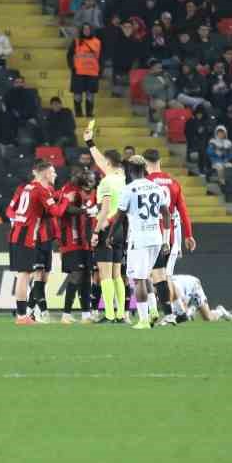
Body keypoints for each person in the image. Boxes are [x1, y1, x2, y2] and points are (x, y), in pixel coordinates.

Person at [112, 155, 170, 331]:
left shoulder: (128, 189)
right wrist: (166, 239)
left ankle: (144, 320)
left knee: (137, 280)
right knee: (146, 276)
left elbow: (119, 216)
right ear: (144, 169)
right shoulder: (156, 187)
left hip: (139, 239)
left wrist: (109, 236)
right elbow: (166, 214)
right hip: (156, 238)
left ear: (130, 170)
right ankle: (153, 311)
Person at [7, 157, 62, 325]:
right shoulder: (41, 190)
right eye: (52, 172)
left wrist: (17, 220)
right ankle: (22, 315)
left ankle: (24, 314)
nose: (55, 174)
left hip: (17, 233)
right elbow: (56, 212)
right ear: (45, 174)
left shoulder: (26, 188)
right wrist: (66, 199)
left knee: (25, 275)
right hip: (28, 235)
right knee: (24, 275)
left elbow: (13, 209)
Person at [144, 148, 195, 324]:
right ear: (160, 162)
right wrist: (189, 235)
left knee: (157, 276)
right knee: (163, 276)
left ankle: (169, 313)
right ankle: (179, 312)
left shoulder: (145, 182)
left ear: (145, 163)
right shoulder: (173, 182)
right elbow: (183, 212)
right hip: (170, 235)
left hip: (151, 233)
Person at [84, 125, 127, 323]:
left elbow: (104, 210)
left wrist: (95, 232)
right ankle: (121, 313)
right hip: (121, 229)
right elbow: (102, 161)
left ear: (108, 163)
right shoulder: (124, 178)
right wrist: (90, 143)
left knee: (105, 273)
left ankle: (109, 313)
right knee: (117, 273)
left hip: (106, 228)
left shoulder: (106, 182)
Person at [55, 169, 96, 324]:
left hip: (85, 240)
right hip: (71, 239)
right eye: (88, 181)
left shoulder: (89, 191)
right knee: (76, 274)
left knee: (86, 276)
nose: (91, 184)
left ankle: (86, 314)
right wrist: (85, 210)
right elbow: (65, 209)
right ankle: (66, 314)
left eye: (92, 181)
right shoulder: (68, 189)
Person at [69, 24, 102, 118]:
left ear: (91, 30)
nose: (86, 30)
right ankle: (78, 114)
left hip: (92, 73)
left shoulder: (97, 42)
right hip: (78, 72)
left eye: (88, 28)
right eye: (84, 29)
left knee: (90, 95)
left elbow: (101, 58)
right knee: (77, 96)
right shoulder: (76, 41)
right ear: (81, 30)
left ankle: (89, 113)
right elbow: (70, 55)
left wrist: (100, 71)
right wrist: (72, 66)